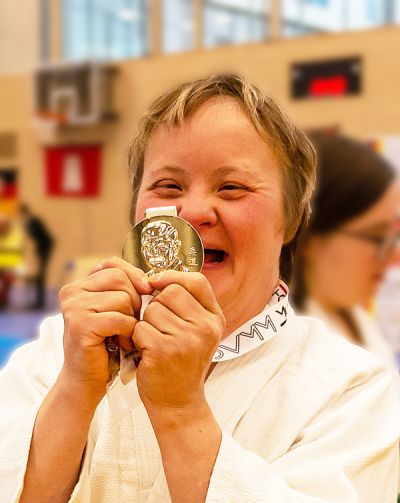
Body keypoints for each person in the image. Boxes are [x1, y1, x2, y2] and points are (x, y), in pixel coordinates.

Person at [0, 75, 399, 503]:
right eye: (168, 186)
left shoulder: (353, 390)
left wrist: (181, 411)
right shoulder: (58, 351)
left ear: (291, 219)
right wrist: (75, 390)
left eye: (232, 188)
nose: (191, 213)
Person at [291, 133, 400, 372]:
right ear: (310, 239)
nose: (393, 256)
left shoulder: (350, 314)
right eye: (377, 237)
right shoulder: (295, 353)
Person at [18, 203, 54, 309]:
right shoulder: (31, 221)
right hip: (43, 247)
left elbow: (40, 236)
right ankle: (39, 301)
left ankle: (39, 302)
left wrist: (39, 250)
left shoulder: (31, 221)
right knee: (40, 275)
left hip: (44, 247)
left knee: (40, 275)